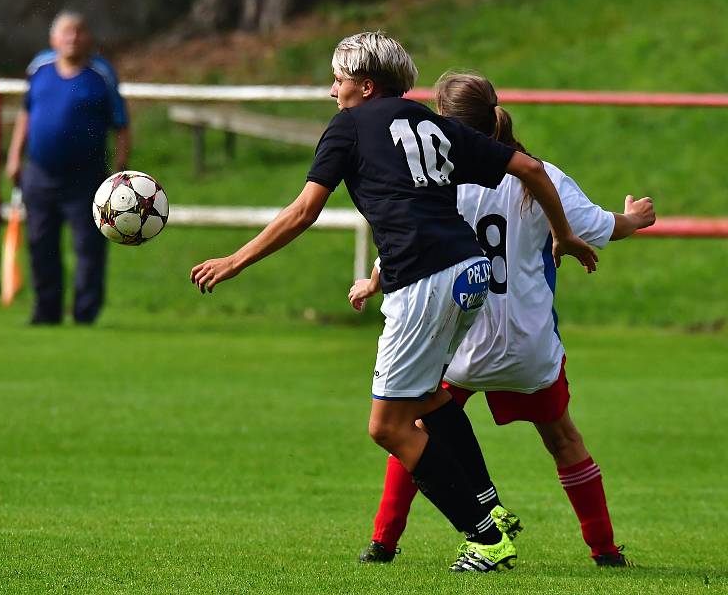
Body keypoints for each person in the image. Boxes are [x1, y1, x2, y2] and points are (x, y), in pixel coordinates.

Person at [190, 32, 598, 573]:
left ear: (365, 85)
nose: (332, 90)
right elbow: (528, 168)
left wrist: (233, 261)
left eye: (338, 79)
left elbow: (303, 211)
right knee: (428, 398)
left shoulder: (348, 126)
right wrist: (565, 234)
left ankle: (485, 537)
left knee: (386, 427)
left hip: (422, 279)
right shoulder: (432, 123)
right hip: (469, 273)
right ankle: (490, 510)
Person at [349, 71, 655, 568]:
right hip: (527, 347)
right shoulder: (541, 175)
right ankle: (605, 552)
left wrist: (373, 279)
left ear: (441, 121)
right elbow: (599, 228)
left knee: (413, 424)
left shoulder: (435, 176)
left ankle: (383, 542)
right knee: (564, 440)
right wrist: (633, 219)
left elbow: (413, 240)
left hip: (460, 343)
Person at [6, 10, 130, 325]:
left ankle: (85, 314)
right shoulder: (40, 68)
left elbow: (121, 124)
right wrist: (14, 156)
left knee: (88, 248)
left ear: (88, 38)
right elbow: (26, 114)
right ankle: (46, 312)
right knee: (40, 244)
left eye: (78, 31)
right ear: (54, 39)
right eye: (66, 32)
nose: (72, 38)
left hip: (86, 179)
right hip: (40, 175)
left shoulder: (101, 74)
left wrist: (120, 168)